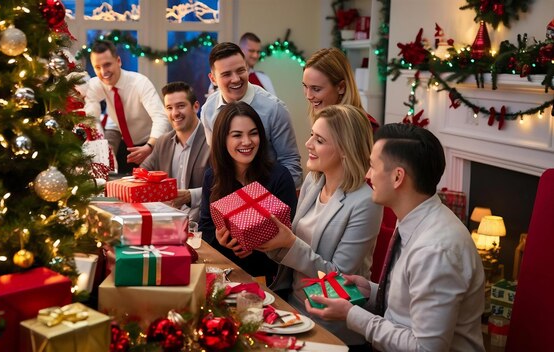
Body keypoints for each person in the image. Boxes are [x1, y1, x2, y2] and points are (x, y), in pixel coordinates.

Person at [305, 123, 486, 352]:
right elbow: (410, 303)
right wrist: (371, 292)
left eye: (372, 167)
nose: (367, 175)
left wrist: (351, 315)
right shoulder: (416, 217)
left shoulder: (435, 249)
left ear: (398, 177)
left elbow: (425, 349)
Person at [258, 105, 382, 349]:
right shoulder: (314, 181)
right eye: (312, 135)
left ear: (346, 150)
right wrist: (266, 240)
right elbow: (292, 247)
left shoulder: (366, 202)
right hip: (292, 305)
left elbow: (339, 279)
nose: (308, 144)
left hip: (331, 323)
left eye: (320, 140)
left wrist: (290, 243)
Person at [199, 101, 297, 286]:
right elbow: (206, 228)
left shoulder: (279, 177)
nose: (247, 142)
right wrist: (221, 240)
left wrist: (256, 245)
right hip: (225, 276)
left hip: (271, 281)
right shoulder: (212, 177)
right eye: (237, 135)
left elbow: (289, 234)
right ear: (222, 139)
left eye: (253, 133)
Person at [201, 42, 302, 187]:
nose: (236, 79)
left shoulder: (274, 108)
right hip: (228, 197)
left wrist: (269, 201)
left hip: (270, 198)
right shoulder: (208, 110)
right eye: (226, 74)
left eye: (241, 70)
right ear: (213, 79)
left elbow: (291, 163)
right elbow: (217, 160)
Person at [84, 40, 170, 174]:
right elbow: (91, 118)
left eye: (107, 65)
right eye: (97, 67)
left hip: (152, 143)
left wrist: (150, 146)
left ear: (118, 61)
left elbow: (161, 118)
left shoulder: (140, 83)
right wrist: (103, 147)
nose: (103, 72)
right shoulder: (96, 84)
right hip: (126, 145)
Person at [140, 81, 210, 222]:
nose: (175, 113)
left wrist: (191, 195)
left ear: (196, 107)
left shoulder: (212, 141)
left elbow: (224, 187)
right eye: (169, 108)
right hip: (166, 222)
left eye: (181, 106)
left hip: (202, 226)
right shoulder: (163, 142)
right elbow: (142, 174)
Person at [302, 48, 379, 131]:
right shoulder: (323, 120)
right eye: (305, 86)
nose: (308, 96)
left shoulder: (366, 128)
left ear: (341, 87)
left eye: (316, 89)